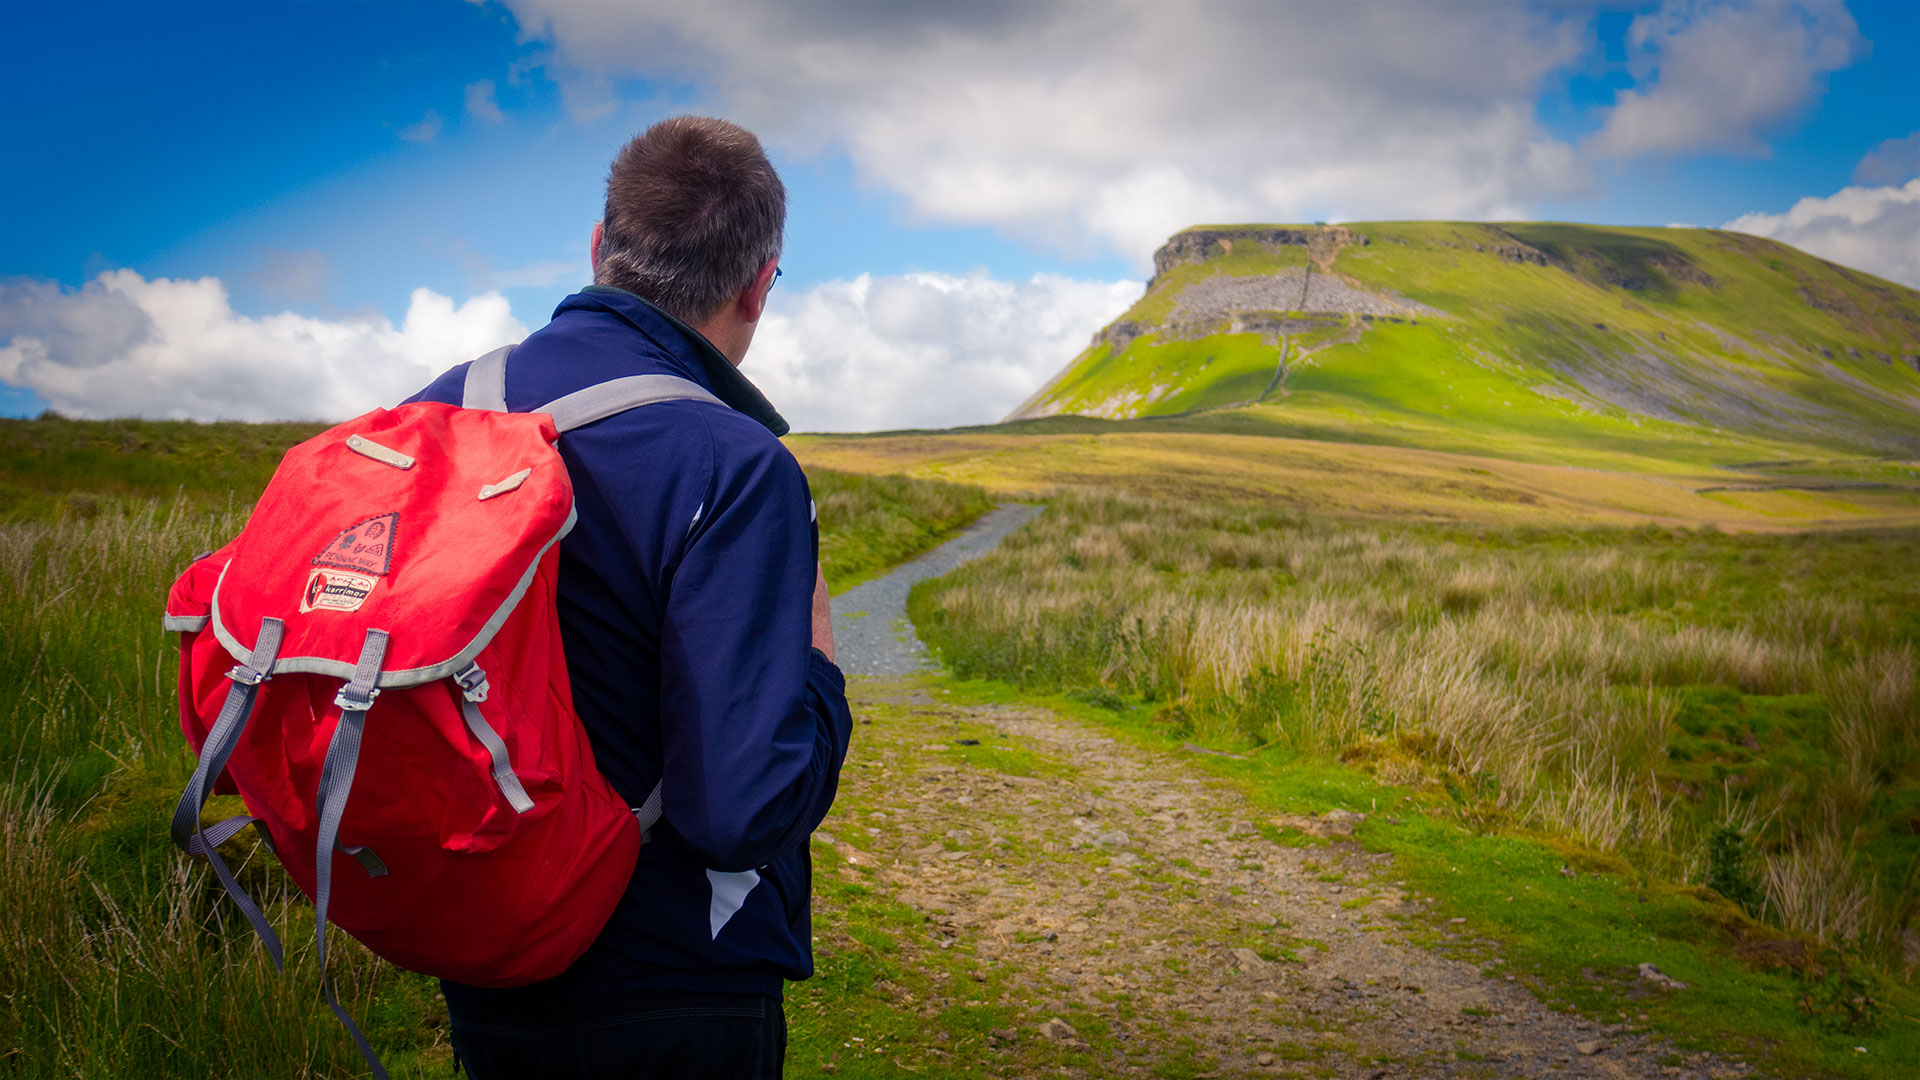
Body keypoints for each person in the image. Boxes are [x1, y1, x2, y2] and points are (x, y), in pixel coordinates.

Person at [404, 115, 852, 1079]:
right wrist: (818, 664)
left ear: (601, 246)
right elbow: (738, 814)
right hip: (672, 980)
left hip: (478, 947)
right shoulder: (734, 464)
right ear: (758, 286)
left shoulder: (434, 411)